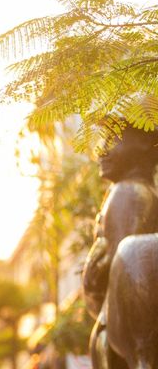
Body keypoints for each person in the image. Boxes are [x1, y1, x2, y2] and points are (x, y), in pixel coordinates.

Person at [82, 124, 158, 369]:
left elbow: (119, 297)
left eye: (112, 138)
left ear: (145, 141)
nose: (101, 150)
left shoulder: (128, 193)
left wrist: (91, 285)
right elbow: (112, 299)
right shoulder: (126, 193)